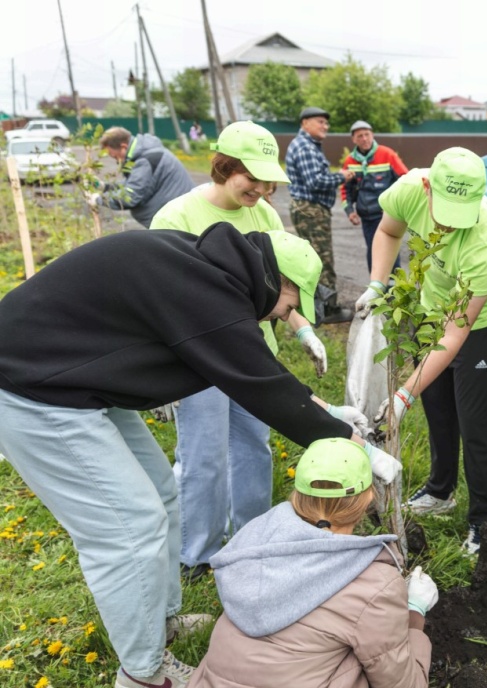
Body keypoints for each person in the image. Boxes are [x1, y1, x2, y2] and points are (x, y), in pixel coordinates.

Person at [0, 224, 402, 688]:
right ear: (281, 281)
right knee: (128, 528)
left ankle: (162, 621)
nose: (281, 317)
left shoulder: (210, 272)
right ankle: (143, 673)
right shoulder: (208, 294)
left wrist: (327, 410)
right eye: (289, 307)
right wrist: (356, 444)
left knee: (160, 493)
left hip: (68, 379)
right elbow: (258, 384)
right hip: (29, 388)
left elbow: (252, 367)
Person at [150, 121, 365, 581]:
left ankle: (248, 538)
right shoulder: (176, 218)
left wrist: (303, 328)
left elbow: (280, 281)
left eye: (269, 181)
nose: (263, 189)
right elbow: (167, 304)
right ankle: (198, 553)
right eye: (253, 178)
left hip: (253, 354)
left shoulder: (263, 215)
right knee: (203, 454)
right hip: (200, 362)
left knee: (253, 446)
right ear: (224, 167)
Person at [354, 147, 487, 555]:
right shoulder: (408, 189)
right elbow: (388, 232)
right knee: (439, 405)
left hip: (478, 324)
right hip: (429, 308)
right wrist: (377, 282)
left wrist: (404, 393)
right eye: (444, 210)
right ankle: (441, 491)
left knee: (476, 419)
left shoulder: (486, 240)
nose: (449, 224)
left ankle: (482, 520)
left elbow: (456, 334)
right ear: (427, 187)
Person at [187, 437, 435, 687]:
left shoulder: (252, 544)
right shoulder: (374, 586)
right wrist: (415, 613)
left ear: (297, 495)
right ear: (368, 499)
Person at [285, 106, 356, 324]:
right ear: (305, 123)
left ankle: (316, 308)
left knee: (314, 258)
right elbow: (315, 182)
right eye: (320, 122)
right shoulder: (305, 147)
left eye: (326, 123)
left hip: (309, 209)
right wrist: (341, 177)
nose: (325, 126)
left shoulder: (308, 145)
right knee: (322, 261)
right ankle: (328, 310)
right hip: (311, 210)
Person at [94, 126, 195, 228]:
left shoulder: (145, 160)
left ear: (123, 146)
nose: (117, 161)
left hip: (176, 220)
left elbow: (131, 196)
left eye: (115, 156)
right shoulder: (146, 151)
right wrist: (106, 187)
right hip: (178, 214)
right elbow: (133, 183)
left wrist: (99, 199)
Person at [341, 120, 408, 272]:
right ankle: (377, 289)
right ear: (353, 139)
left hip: (387, 215)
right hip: (367, 218)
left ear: (372, 135)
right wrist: (349, 211)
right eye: (360, 136)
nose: (364, 139)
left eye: (367, 135)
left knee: (390, 251)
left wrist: (395, 206)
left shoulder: (387, 154)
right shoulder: (350, 161)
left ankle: (394, 289)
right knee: (373, 250)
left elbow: (406, 180)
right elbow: (345, 188)